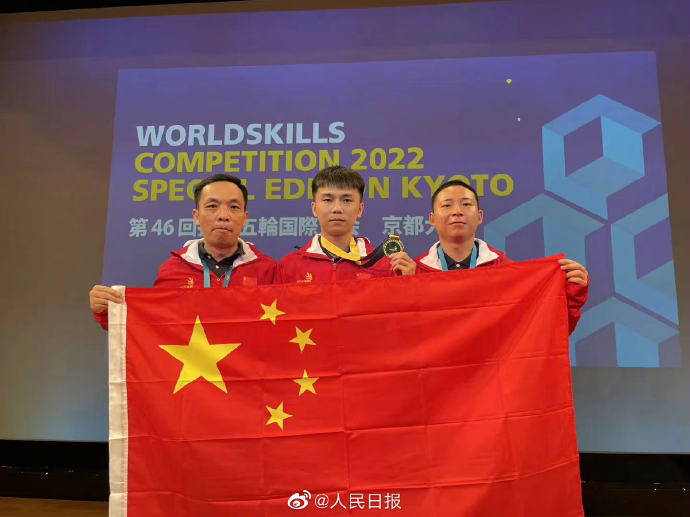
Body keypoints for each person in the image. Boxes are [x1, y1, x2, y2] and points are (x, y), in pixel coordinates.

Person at [89, 174, 276, 329]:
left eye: (234, 207)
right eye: (212, 206)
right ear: (196, 216)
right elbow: (150, 323)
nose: (223, 216)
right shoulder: (173, 270)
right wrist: (107, 311)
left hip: (246, 364)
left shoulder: (267, 269)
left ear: (244, 218)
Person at [415, 179, 588, 333]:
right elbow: (405, 333)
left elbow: (544, 330)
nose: (457, 211)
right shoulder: (415, 273)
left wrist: (571, 295)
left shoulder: (507, 271)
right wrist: (405, 282)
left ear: (479, 216)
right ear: (432, 219)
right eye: (447, 205)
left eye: (466, 204)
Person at [276, 166, 416, 283]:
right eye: (327, 200)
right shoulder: (289, 266)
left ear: (360, 209)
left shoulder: (386, 266)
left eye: (347, 200)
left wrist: (409, 283)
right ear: (314, 208)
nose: (337, 208)